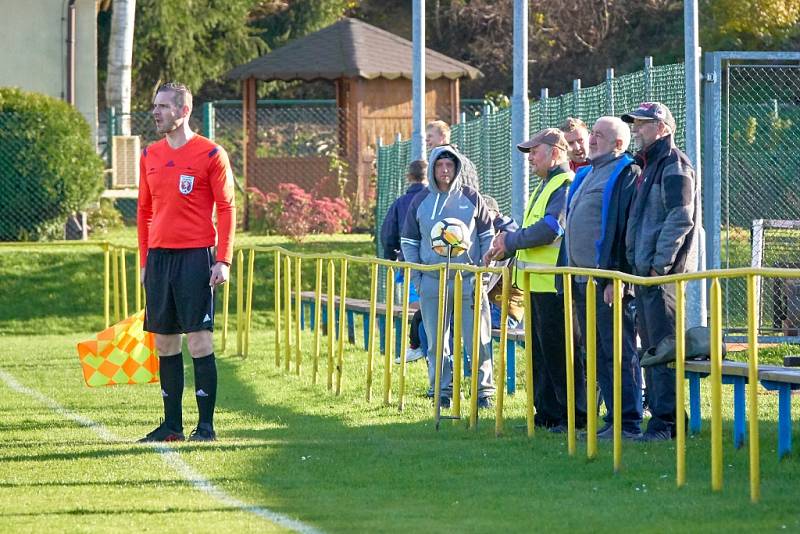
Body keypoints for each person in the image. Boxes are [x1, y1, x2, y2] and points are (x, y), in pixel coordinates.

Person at [136, 82, 235, 443]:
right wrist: (145, 260)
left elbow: (226, 209)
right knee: (164, 343)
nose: (156, 112)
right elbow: (144, 210)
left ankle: (205, 427)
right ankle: (172, 425)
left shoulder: (210, 154)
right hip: (160, 259)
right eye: (154, 105)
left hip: (196, 256)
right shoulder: (149, 154)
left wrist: (223, 259)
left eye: (163, 106)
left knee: (198, 341)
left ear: (183, 111)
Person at [485, 128, 587, 432]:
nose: (530, 158)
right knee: (541, 355)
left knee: (562, 355)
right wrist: (505, 249)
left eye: (535, 152)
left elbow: (551, 229)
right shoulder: (546, 185)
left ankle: (574, 416)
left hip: (555, 285)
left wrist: (512, 241)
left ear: (555, 152)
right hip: (536, 284)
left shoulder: (564, 184)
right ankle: (547, 414)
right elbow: (533, 232)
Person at [622, 102, 699, 441]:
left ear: (663, 128)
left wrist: (658, 265)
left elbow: (681, 217)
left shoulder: (674, 165)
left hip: (662, 277)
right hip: (645, 275)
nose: (636, 130)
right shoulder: (648, 165)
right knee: (651, 350)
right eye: (635, 123)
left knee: (663, 350)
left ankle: (667, 423)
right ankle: (661, 419)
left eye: (643, 124)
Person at [562, 116, 643, 439]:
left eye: (599, 136)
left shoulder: (625, 173)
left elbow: (624, 230)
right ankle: (613, 420)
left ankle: (629, 420)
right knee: (595, 352)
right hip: (583, 280)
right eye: (592, 133)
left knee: (618, 351)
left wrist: (615, 278)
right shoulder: (586, 173)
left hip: (608, 282)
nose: (592, 140)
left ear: (619, 144)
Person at [401, 145, 495, 408]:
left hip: (469, 280)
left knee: (478, 337)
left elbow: (488, 237)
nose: (445, 170)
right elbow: (408, 241)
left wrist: (483, 274)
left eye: (450, 166)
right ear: (432, 169)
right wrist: (420, 277)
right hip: (433, 281)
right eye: (440, 165)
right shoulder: (421, 201)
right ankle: (442, 389)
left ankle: (483, 391)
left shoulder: (472, 198)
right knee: (435, 339)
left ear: (457, 168)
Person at [379, 159, 429, 365]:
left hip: (410, 261)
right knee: (429, 310)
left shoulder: (400, 202)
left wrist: (392, 255)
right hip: (436, 260)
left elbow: (388, 233)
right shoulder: (435, 198)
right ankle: (425, 351)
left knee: (419, 308)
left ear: (409, 177)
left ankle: (422, 350)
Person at [482, 195, 524, 330]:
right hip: (492, 304)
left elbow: (490, 280)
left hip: (504, 310)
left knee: (453, 318)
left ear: (494, 212)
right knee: (431, 317)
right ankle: (417, 348)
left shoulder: (502, 238)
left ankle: (448, 352)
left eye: (483, 212)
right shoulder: (493, 233)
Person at [426, 120, 480, 191]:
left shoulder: (439, 161)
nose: (426, 140)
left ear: (443, 136)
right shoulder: (468, 162)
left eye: (430, 136)